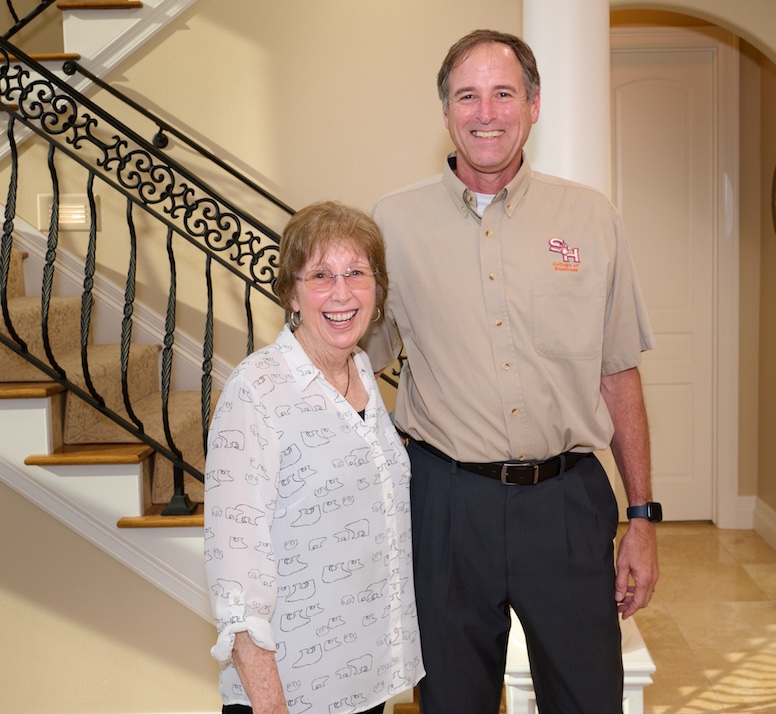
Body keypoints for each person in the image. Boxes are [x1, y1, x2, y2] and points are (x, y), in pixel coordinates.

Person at [361, 29, 660, 714]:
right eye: (468, 95)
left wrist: (642, 517)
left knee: (588, 700)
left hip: (565, 505)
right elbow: (349, 364)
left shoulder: (591, 219)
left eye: (503, 93)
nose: (486, 112)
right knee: (453, 703)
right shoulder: (392, 224)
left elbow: (619, 374)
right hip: (445, 503)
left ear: (534, 105)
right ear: (445, 111)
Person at [204, 201, 424, 714]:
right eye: (321, 275)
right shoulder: (257, 391)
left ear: (377, 289)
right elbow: (236, 574)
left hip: (363, 684)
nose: (342, 293)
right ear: (291, 293)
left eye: (356, 273)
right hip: (290, 697)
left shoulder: (362, 371)